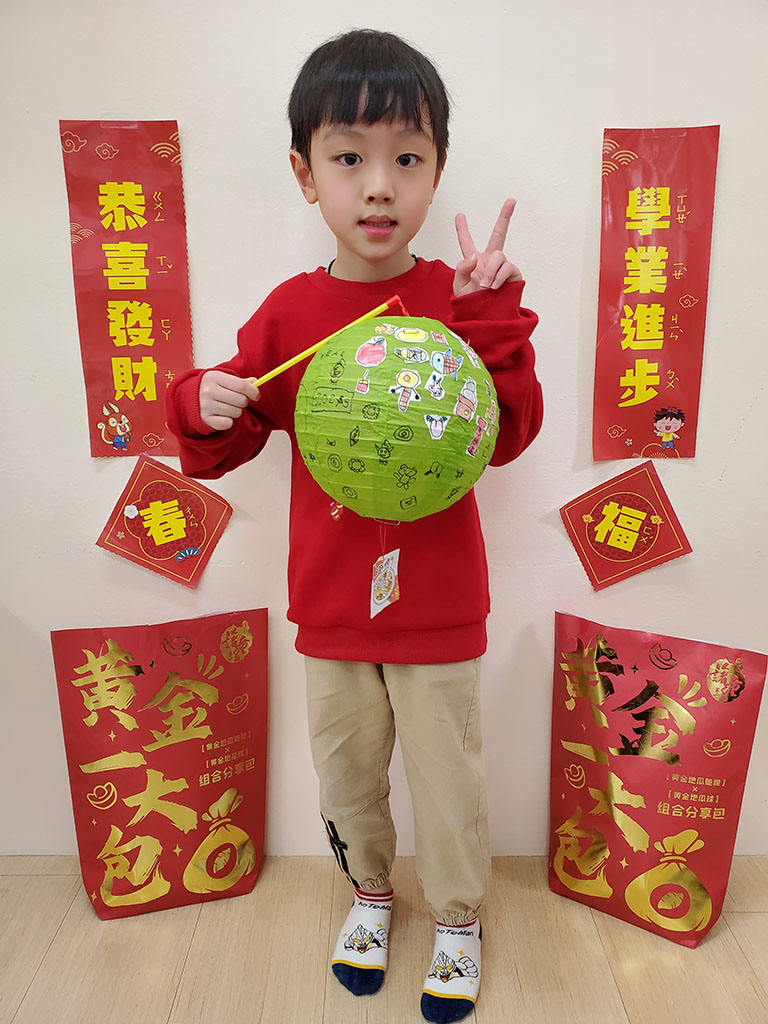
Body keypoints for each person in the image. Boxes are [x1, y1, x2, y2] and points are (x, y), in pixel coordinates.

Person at [167, 28, 542, 1024]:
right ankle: (370, 895)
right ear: (306, 175)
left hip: (441, 605)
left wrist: (490, 318)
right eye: (348, 158)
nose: (379, 186)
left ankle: (457, 916)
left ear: (437, 171)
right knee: (346, 775)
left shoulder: (458, 301)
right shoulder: (290, 312)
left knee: (448, 780)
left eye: (406, 159)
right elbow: (225, 437)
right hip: (331, 605)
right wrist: (198, 400)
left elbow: (507, 437)